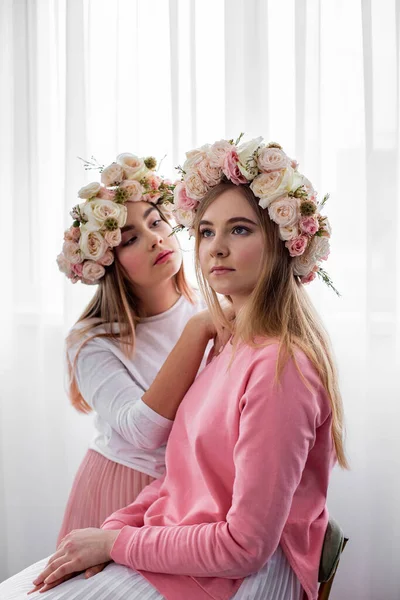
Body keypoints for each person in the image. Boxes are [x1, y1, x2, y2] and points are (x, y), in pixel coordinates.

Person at [0, 137, 348, 600]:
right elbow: (178, 473)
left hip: (209, 561)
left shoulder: (278, 367)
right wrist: (115, 531)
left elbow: (244, 544)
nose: (216, 248)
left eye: (239, 230)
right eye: (205, 232)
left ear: (284, 240)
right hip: (155, 517)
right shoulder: (218, 342)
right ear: (109, 263)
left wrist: (116, 541)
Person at [54, 152, 216, 546]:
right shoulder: (92, 342)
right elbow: (141, 433)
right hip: (122, 489)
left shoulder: (210, 310)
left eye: (157, 221)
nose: (155, 239)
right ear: (107, 262)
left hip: (195, 490)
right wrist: (197, 333)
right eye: (130, 239)